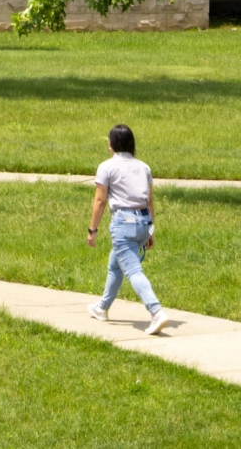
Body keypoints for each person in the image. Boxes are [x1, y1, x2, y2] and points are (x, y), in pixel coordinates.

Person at [86, 123, 170, 335]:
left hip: (123, 223)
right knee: (116, 264)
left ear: (112, 144)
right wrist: (150, 230)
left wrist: (92, 230)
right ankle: (102, 307)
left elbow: (99, 200)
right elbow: (150, 201)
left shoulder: (107, 167)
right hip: (143, 221)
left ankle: (156, 311)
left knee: (133, 270)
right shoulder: (144, 167)